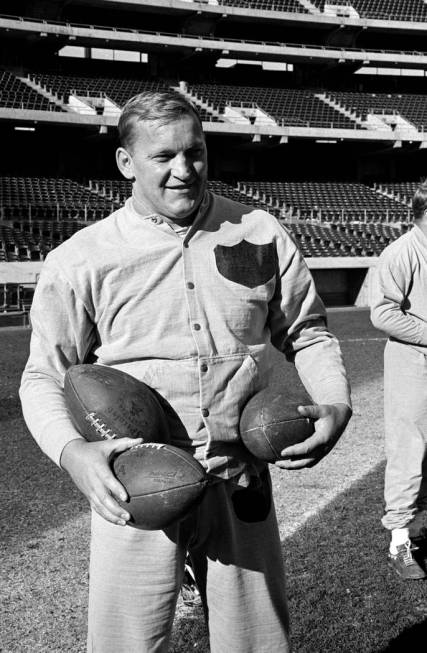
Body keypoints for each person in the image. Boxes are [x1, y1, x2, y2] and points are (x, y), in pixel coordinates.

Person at [20, 90, 351, 652]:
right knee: (125, 644)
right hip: (137, 484)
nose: (184, 170)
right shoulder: (81, 258)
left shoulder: (260, 231)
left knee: (258, 643)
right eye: (163, 156)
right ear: (126, 163)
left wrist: (337, 403)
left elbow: (308, 332)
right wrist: (72, 453)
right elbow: (44, 376)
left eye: (194, 152)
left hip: (240, 473)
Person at [371, 180, 427, 580]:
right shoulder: (401, 252)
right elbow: (382, 314)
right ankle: (400, 542)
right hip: (412, 362)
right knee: (410, 448)